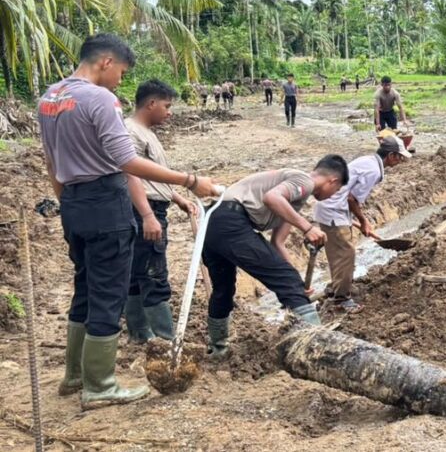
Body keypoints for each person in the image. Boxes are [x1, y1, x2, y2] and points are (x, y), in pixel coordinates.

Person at [37, 33, 217, 409]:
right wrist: (191, 180)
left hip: (73, 202)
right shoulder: (99, 98)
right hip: (106, 203)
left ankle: (74, 376)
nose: (121, 80)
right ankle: (100, 385)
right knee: (108, 294)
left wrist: (68, 203)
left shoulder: (50, 97)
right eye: (121, 71)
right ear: (105, 62)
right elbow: (126, 161)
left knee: (85, 287)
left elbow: (52, 161)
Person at [202, 156, 348, 358]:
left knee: (223, 289)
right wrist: (307, 228)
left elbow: (277, 243)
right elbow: (272, 198)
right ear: (332, 180)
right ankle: (318, 345)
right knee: (286, 280)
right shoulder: (303, 180)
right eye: (337, 190)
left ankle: (217, 348)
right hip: (231, 220)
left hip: (211, 223)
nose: (334, 194)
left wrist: (296, 283)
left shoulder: (293, 200)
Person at [122, 80, 201, 344]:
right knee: (154, 273)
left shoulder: (146, 132)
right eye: (166, 106)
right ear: (151, 103)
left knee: (136, 271)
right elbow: (130, 174)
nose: (169, 112)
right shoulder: (131, 131)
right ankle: (168, 340)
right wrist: (147, 215)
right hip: (144, 209)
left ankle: (140, 333)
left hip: (151, 205)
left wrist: (177, 198)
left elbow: (152, 177)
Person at [313, 137, 412, 313]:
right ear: (391, 155)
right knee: (347, 254)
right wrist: (364, 221)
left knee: (338, 253)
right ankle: (341, 299)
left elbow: (346, 194)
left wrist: (358, 224)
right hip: (333, 211)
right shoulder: (373, 170)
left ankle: (335, 289)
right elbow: (351, 198)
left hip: (331, 209)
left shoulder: (367, 161)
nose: (401, 161)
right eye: (400, 157)